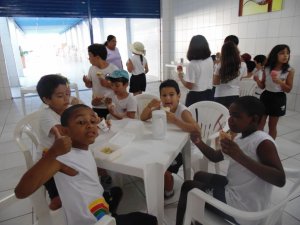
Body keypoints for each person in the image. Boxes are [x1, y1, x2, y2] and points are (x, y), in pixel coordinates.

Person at [15, 104, 158, 225]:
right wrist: (52, 153)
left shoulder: (83, 148)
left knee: (117, 191)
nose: (90, 126)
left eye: (93, 121)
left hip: (94, 204)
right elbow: (21, 191)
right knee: (149, 220)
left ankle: (107, 209)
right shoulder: (62, 158)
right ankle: (109, 217)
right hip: (90, 221)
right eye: (81, 122)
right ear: (65, 131)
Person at [175, 96, 286, 225]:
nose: (230, 120)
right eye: (230, 115)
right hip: (237, 190)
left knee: (188, 187)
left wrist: (240, 156)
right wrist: (198, 141)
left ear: (254, 119)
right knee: (199, 175)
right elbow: (215, 157)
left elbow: (280, 179)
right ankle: (195, 216)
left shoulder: (262, 142)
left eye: (236, 116)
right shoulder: (240, 138)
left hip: (244, 208)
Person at [140, 79, 199, 199]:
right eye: (164, 95)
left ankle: (168, 190)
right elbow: (143, 118)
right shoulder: (160, 108)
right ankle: (156, 180)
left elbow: (196, 129)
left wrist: (175, 120)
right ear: (160, 97)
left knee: (163, 167)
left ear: (178, 96)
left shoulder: (182, 112)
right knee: (149, 158)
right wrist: (149, 106)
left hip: (182, 148)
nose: (167, 99)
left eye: (171, 95)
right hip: (166, 143)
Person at [36, 74, 71, 210]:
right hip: (47, 160)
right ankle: (53, 213)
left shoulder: (68, 110)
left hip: (65, 156)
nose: (66, 99)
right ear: (46, 100)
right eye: (60, 96)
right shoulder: (46, 115)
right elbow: (60, 134)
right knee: (58, 200)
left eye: (67, 94)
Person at [254, 44, 294, 139]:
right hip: (266, 96)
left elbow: (288, 89)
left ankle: (270, 145)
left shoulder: (289, 70)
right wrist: (257, 80)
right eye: (282, 53)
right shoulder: (266, 69)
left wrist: (280, 82)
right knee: (259, 125)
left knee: (272, 126)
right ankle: (258, 143)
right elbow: (263, 86)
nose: (285, 56)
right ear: (275, 55)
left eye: (287, 53)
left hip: (278, 98)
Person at [83, 43, 118, 118]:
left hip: (112, 105)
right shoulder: (92, 69)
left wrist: (108, 84)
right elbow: (90, 85)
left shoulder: (113, 69)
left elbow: (120, 88)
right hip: (97, 105)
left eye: (90, 56)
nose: (88, 58)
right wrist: (87, 82)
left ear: (97, 57)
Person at [177, 35, 213, 107]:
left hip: (196, 96)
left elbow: (189, 86)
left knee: (192, 117)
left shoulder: (192, 64)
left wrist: (181, 78)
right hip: (209, 94)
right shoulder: (210, 60)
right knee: (206, 116)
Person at [213, 41, 247, 108]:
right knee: (232, 117)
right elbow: (241, 78)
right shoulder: (243, 65)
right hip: (234, 94)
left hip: (220, 95)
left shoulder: (220, 65)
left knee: (220, 116)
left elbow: (215, 82)